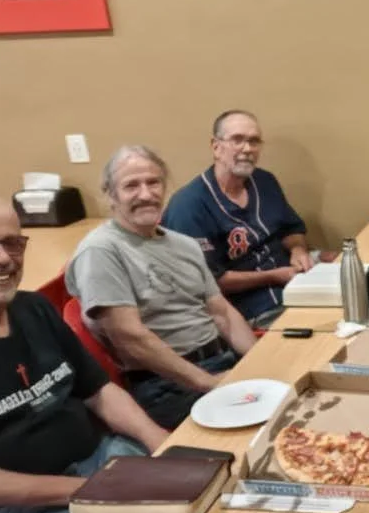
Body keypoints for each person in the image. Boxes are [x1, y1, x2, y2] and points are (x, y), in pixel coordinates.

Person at [0, 197, 168, 513]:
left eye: (13, 242)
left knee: (199, 489)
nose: (3, 258)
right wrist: (86, 490)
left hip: (96, 464)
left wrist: (163, 443)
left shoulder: (34, 308)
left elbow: (99, 390)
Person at [66, 145, 258, 431]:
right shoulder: (101, 251)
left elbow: (222, 313)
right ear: (110, 195)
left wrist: (258, 363)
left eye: (153, 182)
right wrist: (209, 382)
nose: (146, 194)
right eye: (131, 185)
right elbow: (130, 338)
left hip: (222, 362)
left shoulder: (185, 244)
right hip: (167, 385)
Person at [162, 110, 316, 328]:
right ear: (216, 147)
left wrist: (298, 250)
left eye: (254, 141)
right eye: (237, 140)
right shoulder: (188, 206)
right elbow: (211, 283)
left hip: (295, 280)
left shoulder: (265, 181)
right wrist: (275, 276)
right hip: (251, 308)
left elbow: (291, 229)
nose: (247, 149)